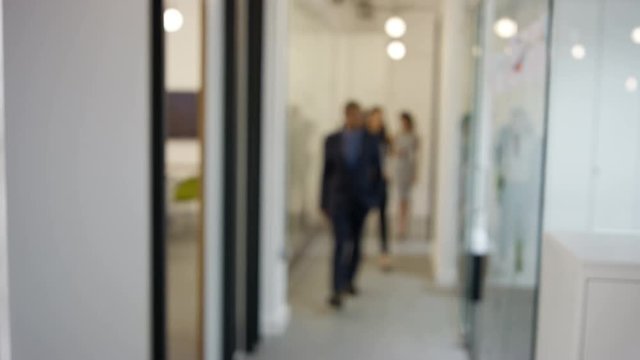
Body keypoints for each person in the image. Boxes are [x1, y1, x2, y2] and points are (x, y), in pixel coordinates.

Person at [321, 101, 382, 309]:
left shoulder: (371, 141)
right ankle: (336, 289)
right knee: (339, 243)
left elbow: (378, 173)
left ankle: (349, 279)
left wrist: (375, 199)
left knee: (356, 242)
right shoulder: (332, 140)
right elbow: (326, 174)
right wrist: (323, 202)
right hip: (339, 200)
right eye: (352, 115)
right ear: (346, 115)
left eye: (358, 115)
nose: (355, 119)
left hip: (361, 200)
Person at [366, 107, 392, 271]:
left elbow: (390, 157)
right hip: (366, 183)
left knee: (383, 218)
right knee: (363, 219)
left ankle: (384, 253)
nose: (378, 120)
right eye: (375, 117)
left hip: (381, 182)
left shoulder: (385, 138)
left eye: (380, 118)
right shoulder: (364, 138)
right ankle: (361, 249)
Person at [395, 112, 418, 239]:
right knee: (400, 199)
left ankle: (405, 225)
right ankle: (400, 227)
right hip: (400, 168)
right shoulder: (398, 135)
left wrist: (415, 173)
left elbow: (416, 157)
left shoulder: (413, 136)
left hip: (408, 169)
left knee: (406, 199)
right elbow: (393, 151)